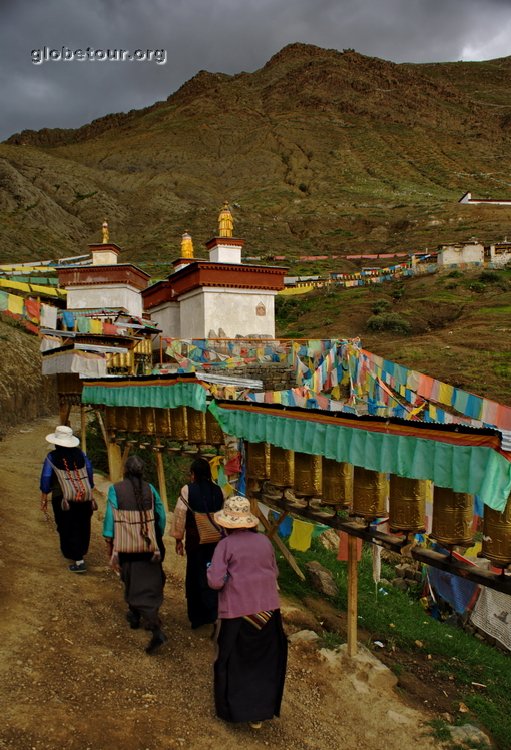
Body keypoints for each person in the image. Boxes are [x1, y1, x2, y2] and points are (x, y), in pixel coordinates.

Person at [207, 496, 288, 730]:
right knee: (262, 662)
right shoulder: (264, 542)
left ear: (227, 523)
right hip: (268, 613)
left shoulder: (225, 545)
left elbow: (215, 582)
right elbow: (274, 572)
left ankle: (233, 710)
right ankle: (259, 714)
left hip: (237, 614)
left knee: (232, 661)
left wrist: (214, 573)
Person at [103, 455, 167, 654]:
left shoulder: (116, 489)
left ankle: (149, 624)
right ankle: (141, 616)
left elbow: (110, 517)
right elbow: (162, 516)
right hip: (149, 546)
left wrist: (109, 538)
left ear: (126, 471)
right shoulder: (151, 489)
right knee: (149, 583)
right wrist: (157, 535)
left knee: (131, 580)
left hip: (127, 547)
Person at [170, 457, 224, 629]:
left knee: (195, 574)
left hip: (195, 542)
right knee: (213, 572)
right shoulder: (219, 490)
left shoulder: (188, 490)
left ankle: (197, 617)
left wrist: (178, 538)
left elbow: (180, 515)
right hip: (215, 541)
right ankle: (213, 612)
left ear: (193, 474)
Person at [40, 424, 95, 574]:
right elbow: (89, 471)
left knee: (66, 525)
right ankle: (80, 553)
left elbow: (46, 477)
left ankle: (77, 559)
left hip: (63, 499)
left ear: (56, 442)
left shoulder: (52, 457)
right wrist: (89, 488)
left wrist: (44, 496)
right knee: (82, 524)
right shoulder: (81, 455)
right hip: (84, 497)